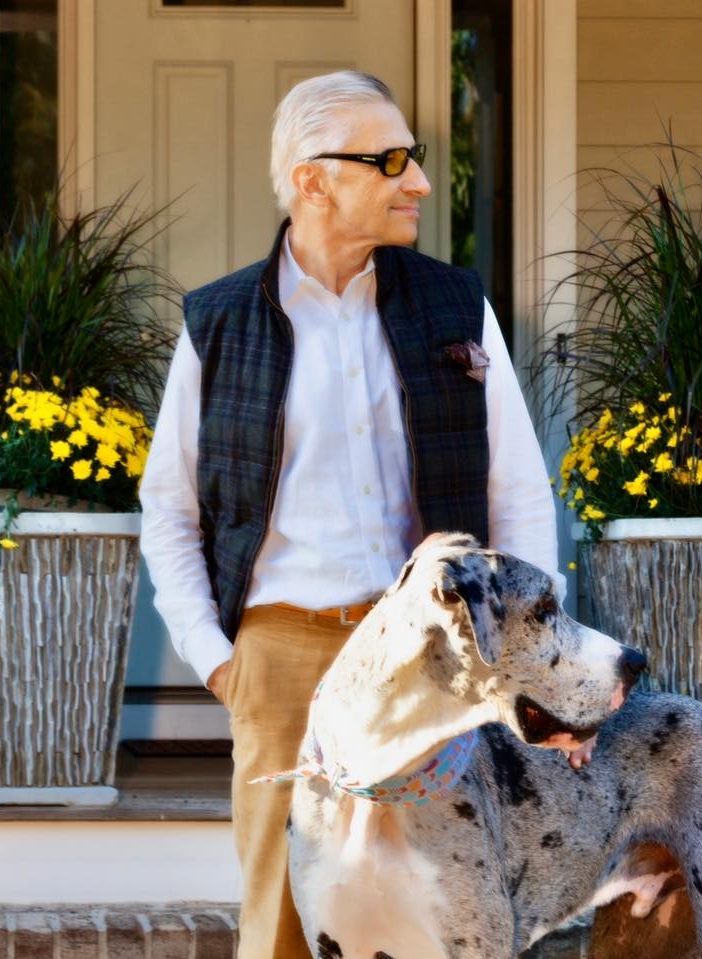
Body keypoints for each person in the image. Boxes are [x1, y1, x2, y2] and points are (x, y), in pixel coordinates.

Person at [140, 70, 571, 959]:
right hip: (279, 659)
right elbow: (169, 507)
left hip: (424, 658)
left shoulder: (454, 306)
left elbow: (518, 494)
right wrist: (220, 662)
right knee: (283, 922)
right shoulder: (219, 323)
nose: (417, 181)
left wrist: (526, 653)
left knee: (431, 903)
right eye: (391, 160)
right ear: (312, 179)